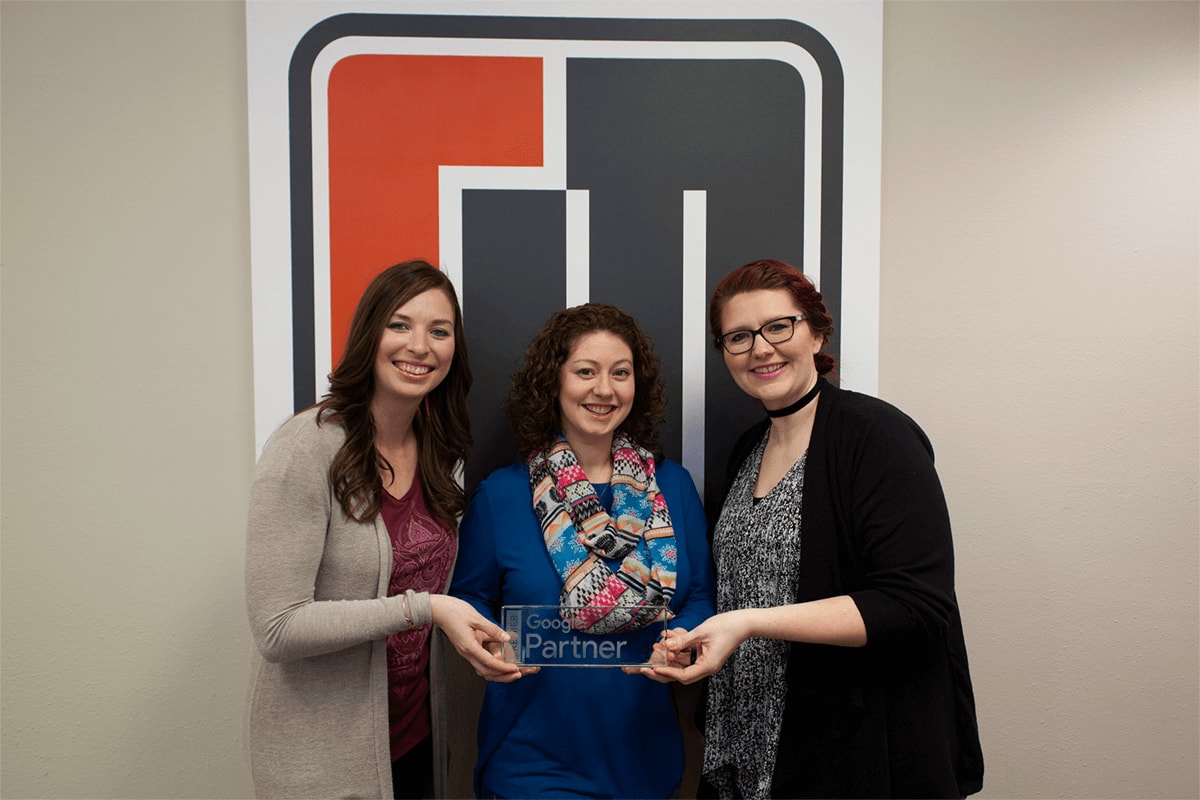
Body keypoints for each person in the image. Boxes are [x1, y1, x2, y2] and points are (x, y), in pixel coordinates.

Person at [655, 259, 984, 798]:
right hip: (745, 744)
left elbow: (915, 605)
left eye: (778, 327)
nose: (761, 348)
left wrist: (749, 624)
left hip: (845, 748)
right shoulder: (747, 450)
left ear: (816, 331)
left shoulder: (877, 436)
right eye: (738, 337)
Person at [245, 260, 521, 800]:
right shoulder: (308, 446)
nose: (419, 346)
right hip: (323, 763)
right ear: (370, 334)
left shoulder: (441, 453)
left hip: (414, 745)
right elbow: (277, 628)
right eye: (400, 325)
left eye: (439, 332)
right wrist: (426, 608)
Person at [450, 303, 716, 799]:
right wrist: (485, 646)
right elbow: (469, 606)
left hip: (643, 761)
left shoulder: (673, 487)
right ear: (554, 381)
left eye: (621, 372)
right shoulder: (501, 496)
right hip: (531, 765)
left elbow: (699, 597)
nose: (604, 389)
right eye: (585, 371)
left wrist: (680, 641)